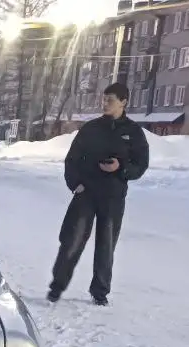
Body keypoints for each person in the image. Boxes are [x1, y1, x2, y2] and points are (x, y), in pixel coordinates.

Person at [47, 82, 149, 307]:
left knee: (106, 245)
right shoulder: (91, 129)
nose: (105, 103)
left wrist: (121, 168)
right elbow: (72, 159)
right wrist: (75, 184)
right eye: (103, 99)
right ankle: (56, 287)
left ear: (123, 102)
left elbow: (141, 165)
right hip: (87, 193)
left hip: (113, 196)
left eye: (110, 100)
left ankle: (100, 292)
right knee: (72, 240)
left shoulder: (133, 133)